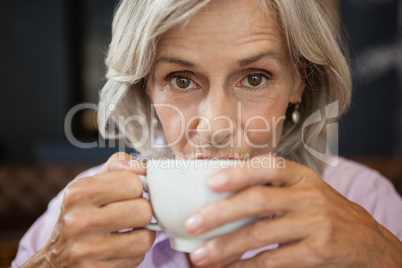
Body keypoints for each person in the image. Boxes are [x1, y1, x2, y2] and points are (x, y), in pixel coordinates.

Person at [12, 0, 402, 267]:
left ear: (298, 82)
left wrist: (387, 258)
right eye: (181, 80)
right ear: (146, 87)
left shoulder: (365, 200)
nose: (216, 126)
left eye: (254, 78)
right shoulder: (85, 212)